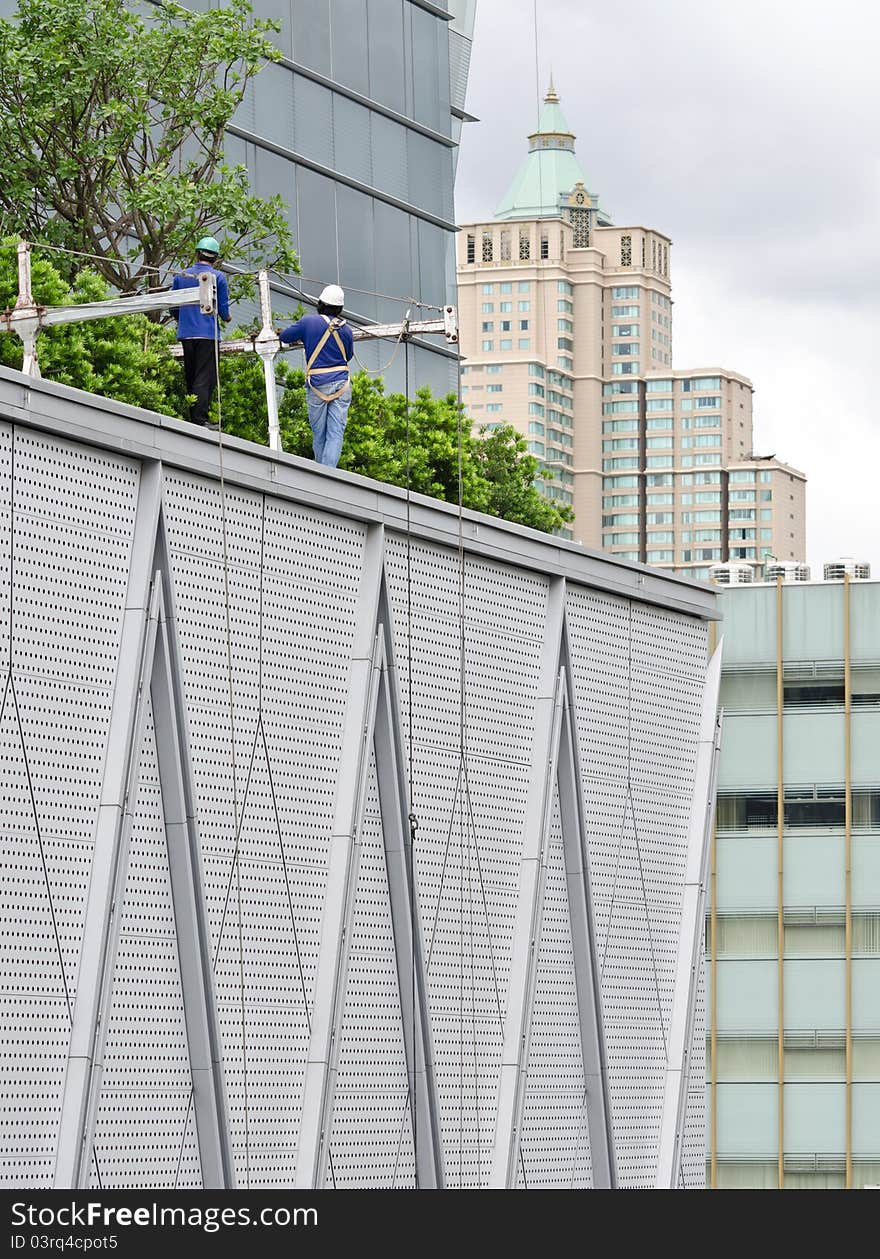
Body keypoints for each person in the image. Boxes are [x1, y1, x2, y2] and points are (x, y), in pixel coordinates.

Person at [279, 285, 354, 467]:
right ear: (340, 309)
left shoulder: (308, 322)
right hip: (342, 384)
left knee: (319, 433)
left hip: (317, 385)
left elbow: (286, 337)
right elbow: (348, 356)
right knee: (335, 433)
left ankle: (320, 474)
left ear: (320, 304)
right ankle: (328, 475)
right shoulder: (346, 330)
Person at [172, 235, 230, 427]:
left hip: (186, 334)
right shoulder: (218, 277)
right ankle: (200, 419)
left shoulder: (181, 276)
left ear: (196, 254)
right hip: (207, 334)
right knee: (204, 377)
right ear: (216, 258)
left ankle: (193, 415)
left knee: (191, 374)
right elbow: (222, 310)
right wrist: (227, 317)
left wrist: (184, 320)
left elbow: (173, 306)